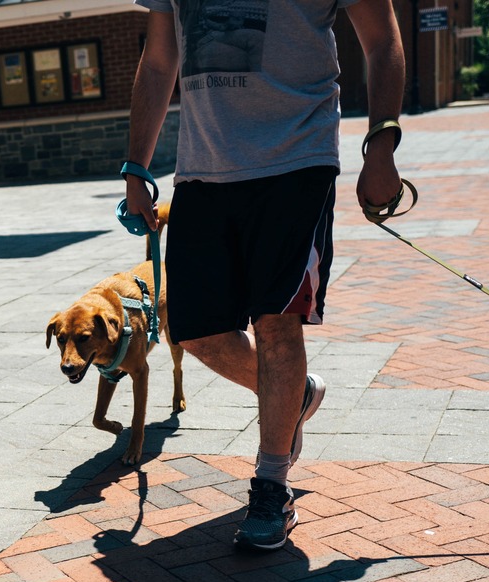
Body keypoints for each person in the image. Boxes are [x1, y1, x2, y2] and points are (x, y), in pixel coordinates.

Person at [121, 0, 404, 551]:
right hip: (203, 167)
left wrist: (382, 147)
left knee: (277, 323)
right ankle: (292, 397)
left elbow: (382, 41)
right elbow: (159, 61)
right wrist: (137, 166)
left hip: (297, 158)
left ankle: (271, 485)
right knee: (194, 330)